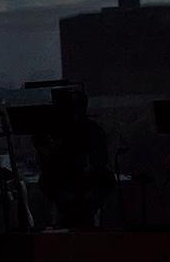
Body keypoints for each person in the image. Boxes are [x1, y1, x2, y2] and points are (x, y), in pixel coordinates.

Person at [33, 89, 114, 230]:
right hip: (70, 184)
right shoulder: (63, 130)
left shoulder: (89, 129)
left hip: (82, 184)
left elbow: (101, 162)